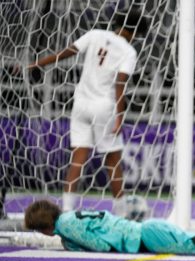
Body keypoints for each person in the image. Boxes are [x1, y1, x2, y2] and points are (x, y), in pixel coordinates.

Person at [27, 8, 148, 217]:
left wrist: (37, 63)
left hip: (81, 103)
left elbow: (65, 53)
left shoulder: (95, 35)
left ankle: (66, 211)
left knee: (78, 157)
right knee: (112, 161)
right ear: (134, 31)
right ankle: (121, 213)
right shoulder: (129, 52)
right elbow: (120, 84)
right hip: (104, 107)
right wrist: (120, 117)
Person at [24, 199, 195, 257]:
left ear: (44, 225)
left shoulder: (65, 226)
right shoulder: (69, 218)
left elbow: (102, 246)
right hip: (146, 230)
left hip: (146, 236)